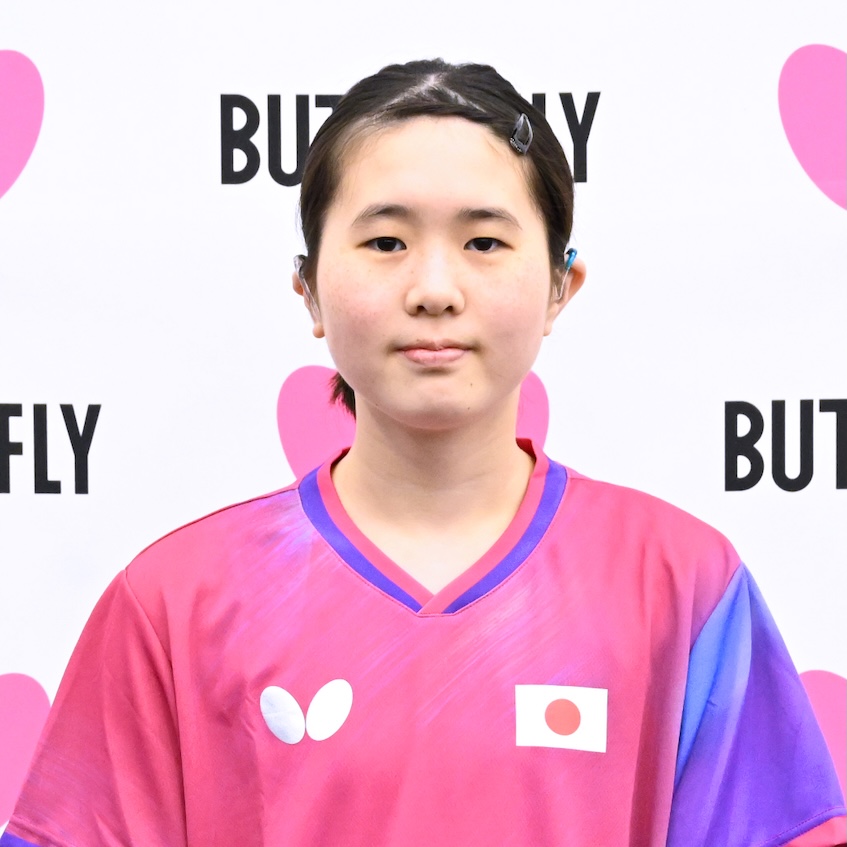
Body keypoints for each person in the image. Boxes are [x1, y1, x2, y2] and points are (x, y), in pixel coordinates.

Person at [1, 59, 844, 847]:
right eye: (385, 242)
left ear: (560, 285)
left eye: (484, 242)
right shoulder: (176, 601)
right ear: (309, 289)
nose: (434, 290)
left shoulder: (681, 582)